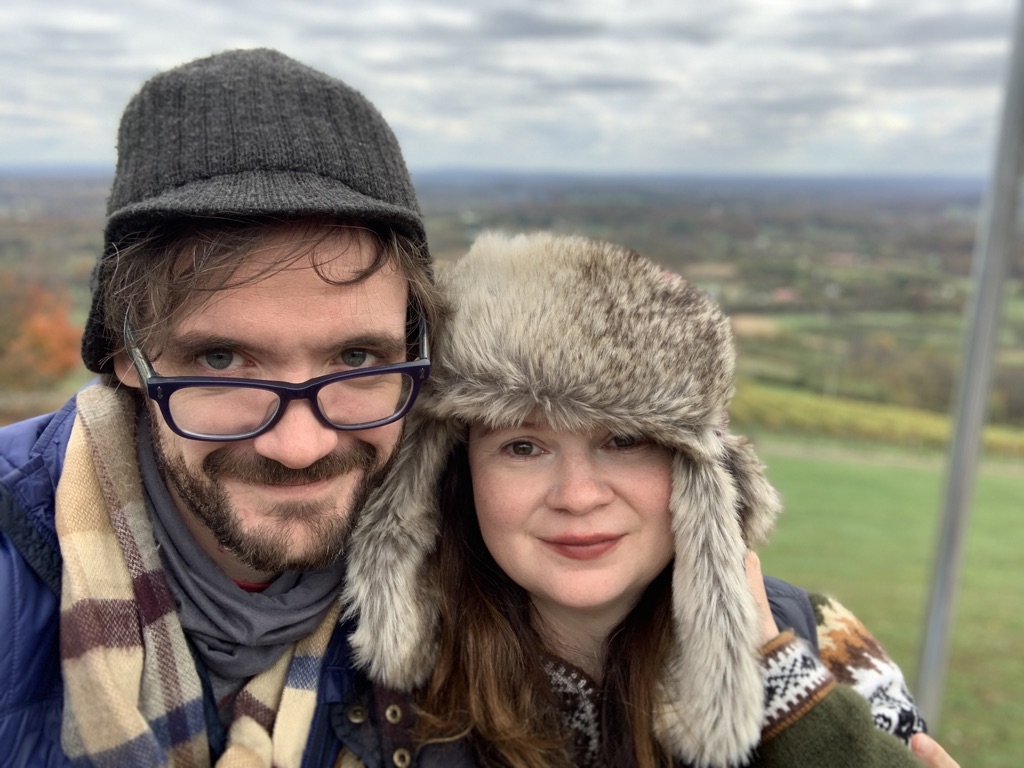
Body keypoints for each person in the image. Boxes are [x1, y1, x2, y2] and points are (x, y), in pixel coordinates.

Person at [342, 231, 960, 767]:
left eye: (624, 441)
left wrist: (781, 691)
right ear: (455, 472)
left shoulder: (825, 645)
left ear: (698, 476)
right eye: (523, 447)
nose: (578, 496)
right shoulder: (357, 675)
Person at [0, 48, 446, 766]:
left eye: (358, 358)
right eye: (221, 360)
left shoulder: (479, 568)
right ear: (126, 353)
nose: (299, 447)